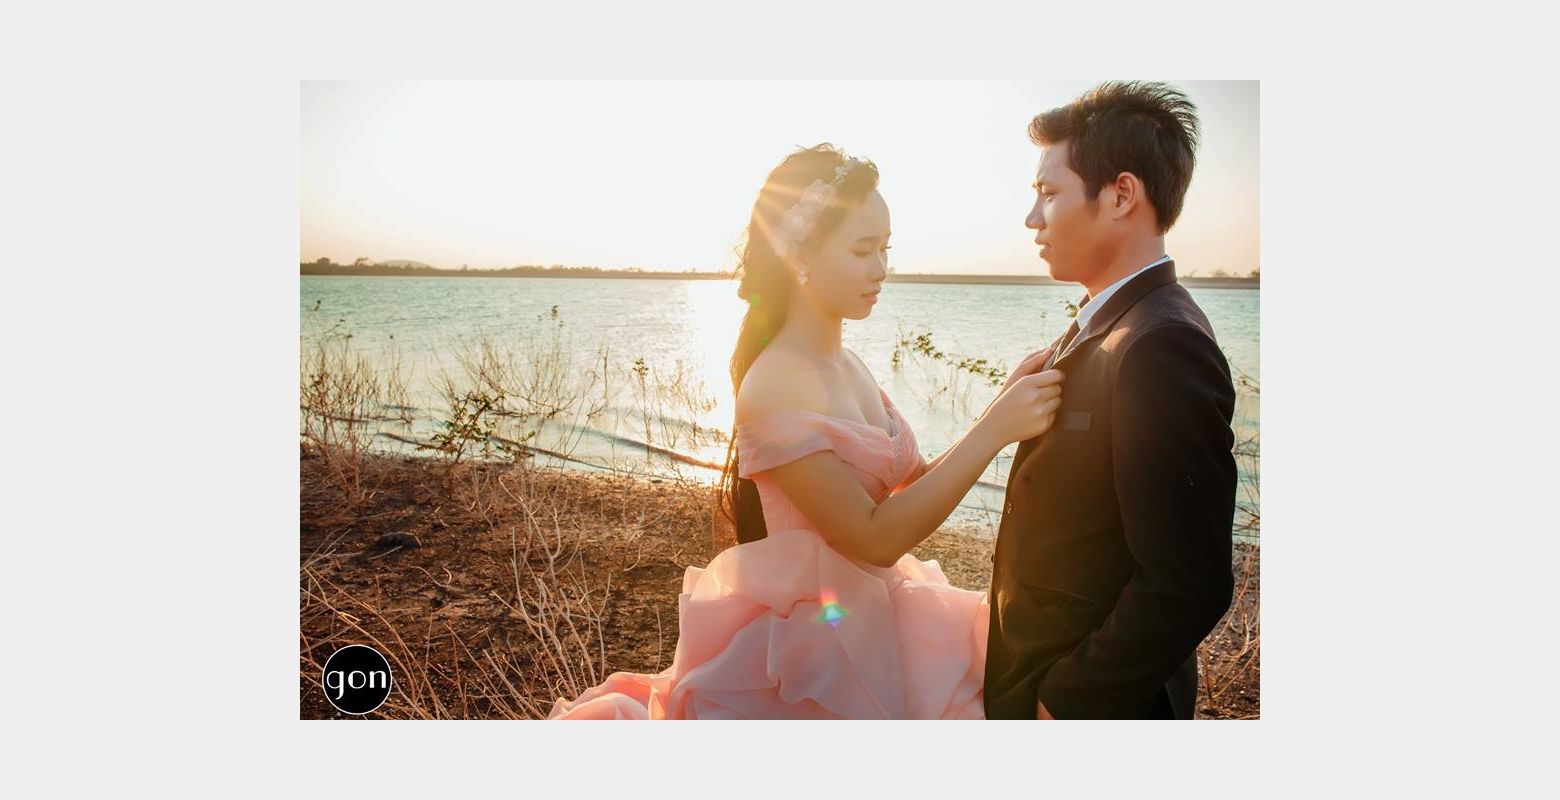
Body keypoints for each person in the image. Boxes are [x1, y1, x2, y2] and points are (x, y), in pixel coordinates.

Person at [547, 143, 1064, 719]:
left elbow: (910, 484)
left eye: (886, 249)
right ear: (799, 255)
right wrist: (994, 431)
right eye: (862, 250)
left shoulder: (849, 364)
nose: (881, 269)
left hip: (879, 613)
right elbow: (873, 538)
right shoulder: (776, 382)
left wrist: (998, 406)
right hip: (818, 648)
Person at [984, 81, 1238, 720]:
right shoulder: (1113, 321)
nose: (1032, 218)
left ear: (1122, 195)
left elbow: (1188, 582)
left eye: (1048, 194)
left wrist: (1065, 700)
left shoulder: (1162, 344)